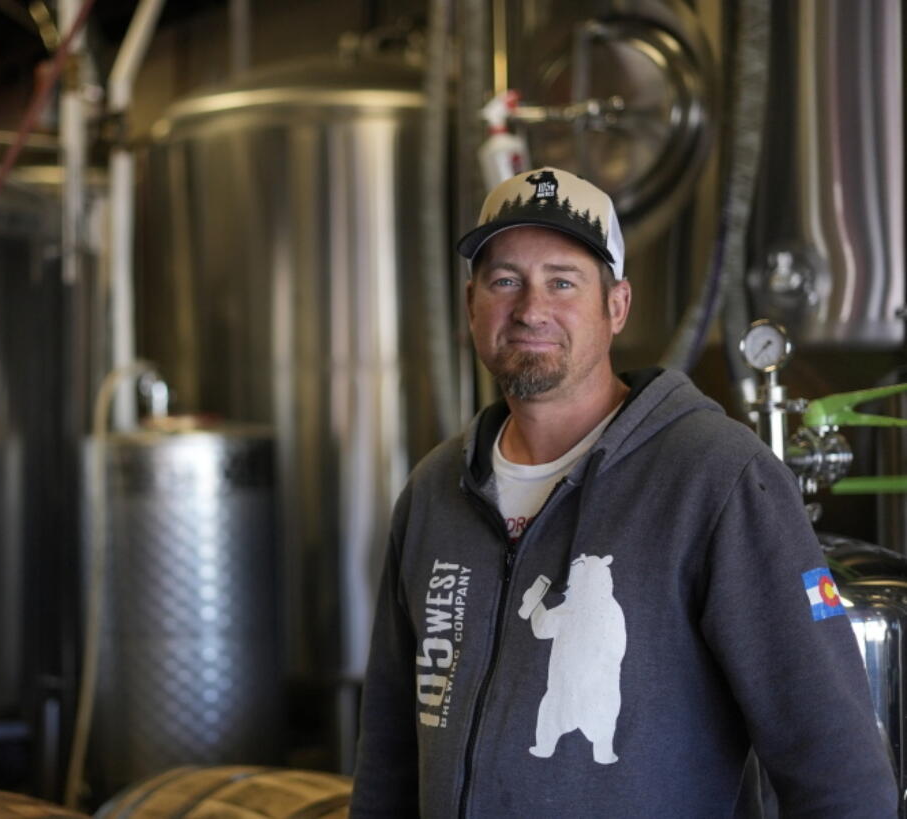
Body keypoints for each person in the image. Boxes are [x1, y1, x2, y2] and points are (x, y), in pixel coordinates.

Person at [349, 167, 898, 817]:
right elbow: (388, 757)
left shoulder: (716, 480)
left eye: (563, 281)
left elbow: (836, 770)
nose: (531, 309)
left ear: (617, 306)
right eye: (505, 281)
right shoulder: (434, 493)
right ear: (472, 305)